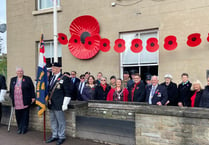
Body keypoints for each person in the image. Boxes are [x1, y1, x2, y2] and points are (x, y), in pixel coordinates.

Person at [46, 63, 73, 145]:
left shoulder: (65, 78)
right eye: (52, 68)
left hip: (59, 104)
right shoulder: (51, 77)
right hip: (51, 103)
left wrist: (65, 104)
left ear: (59, 68)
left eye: (54, 67)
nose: (52, 69)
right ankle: (55, 135)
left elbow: (67, 92)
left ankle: (61, 136)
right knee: (53, 120)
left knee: (61, 121)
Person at [9, 67, 35, 134]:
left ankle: (24, 128)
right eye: (18, 71)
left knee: (25, 115)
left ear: (23, 72)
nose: (20, 72)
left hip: (25, 100)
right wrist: (11, 96)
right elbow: (11, 89)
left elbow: (32, 88)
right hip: (16, 101)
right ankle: (19, 127)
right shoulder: (13, 79)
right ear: (16, 72)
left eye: (21, 71)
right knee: (18, 115)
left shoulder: (27, 79)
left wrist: (33, 97)